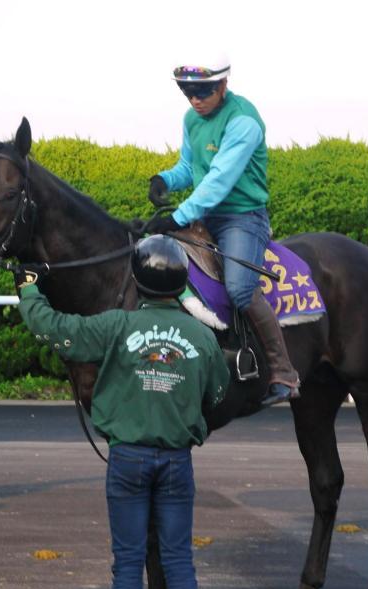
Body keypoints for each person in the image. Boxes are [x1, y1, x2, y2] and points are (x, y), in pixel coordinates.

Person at [13, 235, 230, 589]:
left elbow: (51, 327)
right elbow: (217, 395)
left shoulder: (115, 326)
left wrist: (30, 286)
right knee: (179, 562)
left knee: (128, 563)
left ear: (136, 279)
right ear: (183, 282)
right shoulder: (203, 338)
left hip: (127, 460)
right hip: (176, 462)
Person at [145, 53, 300, 407]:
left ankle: (283, 373)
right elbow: (191, 167)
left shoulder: (244, 121)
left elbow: (218, 181)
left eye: (202, 92)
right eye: (188, 93)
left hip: (242, 218)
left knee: (239, 289)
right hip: (204, 217)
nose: (195, 100)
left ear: (223, 85)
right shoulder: (192, 118)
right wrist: (165, 179)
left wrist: (179, 217)